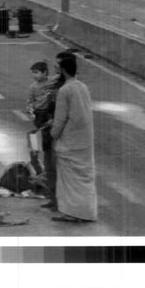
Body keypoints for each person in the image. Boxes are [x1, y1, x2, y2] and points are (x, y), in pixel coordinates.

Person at [50, 54, 98, 222]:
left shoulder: (65, 90)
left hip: (69, 142)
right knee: (84, 177)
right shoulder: (83, 87)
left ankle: (72, 212)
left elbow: (61, 118)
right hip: (85, 141)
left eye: (57, 66)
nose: (55, 68)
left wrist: (53, 135)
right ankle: (87, 212)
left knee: (69, 180)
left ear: (63, 70)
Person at [26, 60, 60, 210]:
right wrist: (31, 112)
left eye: (37, 72)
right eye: (33, 73)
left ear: (46, 73)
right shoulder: (33, 87)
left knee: (47, 147)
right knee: (39, 145)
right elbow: (29, 102)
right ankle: (41, 172)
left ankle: (46, 180)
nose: (35, 76)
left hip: (48, 115)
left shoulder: (52, 83)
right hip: (39, 116)